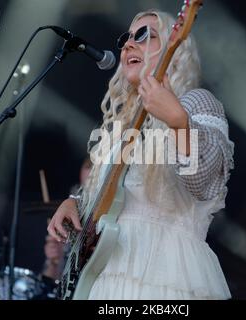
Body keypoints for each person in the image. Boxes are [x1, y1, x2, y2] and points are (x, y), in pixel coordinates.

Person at [47, 9, 234, 300]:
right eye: (127, 38)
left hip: (165, 278)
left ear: (175, 47)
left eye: (145, 35)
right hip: (107, 277)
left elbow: (203, 181)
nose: (129, 44)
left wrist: (179, 122)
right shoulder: (123, 124)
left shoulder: (195, 102)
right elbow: (118, 199)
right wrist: (76, 203)